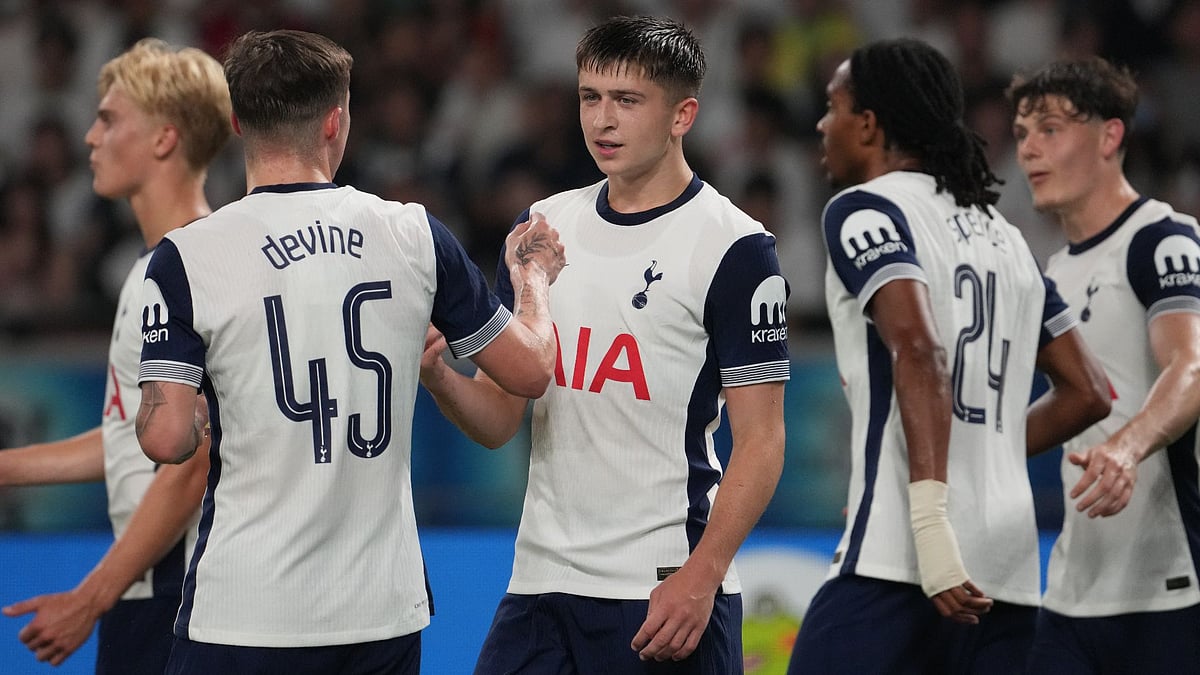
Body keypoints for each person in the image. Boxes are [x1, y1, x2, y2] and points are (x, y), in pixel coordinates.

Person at [133, 29, 565, 675]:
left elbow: (166, 438)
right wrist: (534, 281)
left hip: (244, 609)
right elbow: (529, 371)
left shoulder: (186, 256)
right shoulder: (413, 234)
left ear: (237, 123)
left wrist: (191, 413)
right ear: (336, 121)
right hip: (378, 610)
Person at [419, 15, 789, 674]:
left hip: (662, 589)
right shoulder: (541, 229)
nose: (602, 120)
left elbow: (761, 440)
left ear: (683, 115)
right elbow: (498, 418)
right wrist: (439, 375)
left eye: (627, 100)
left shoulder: (735, 247)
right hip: (539, 585)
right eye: (590, 97)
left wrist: (702, 575)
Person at [786, 38, 1111, 675]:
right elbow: (1089, 391)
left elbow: (917, 348)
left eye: (833, 107)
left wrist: (931, 522)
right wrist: (980, 454)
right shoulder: (1008, 240)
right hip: (1010, 572)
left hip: (901, 561)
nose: (823, 125)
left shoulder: (864, 209)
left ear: (869, 124)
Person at [0, 38, 231, 673]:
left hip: (177, 584)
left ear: (164, 138)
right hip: (157, 581)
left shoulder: (188, 267)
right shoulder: (160, 264)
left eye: (108, 119)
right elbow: (133, 437)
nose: (90, 137)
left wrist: (89, 598)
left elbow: (189, 461)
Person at [1009, 56, 1200, 675]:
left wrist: (1125, 447)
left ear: (1110, 135)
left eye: (1050, 129)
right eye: (1022, 134)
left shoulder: (1161, 239)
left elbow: (1192, 365)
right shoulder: (1052, 274)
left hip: (1169, 589)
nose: (1029, 150)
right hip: (1071, 593)